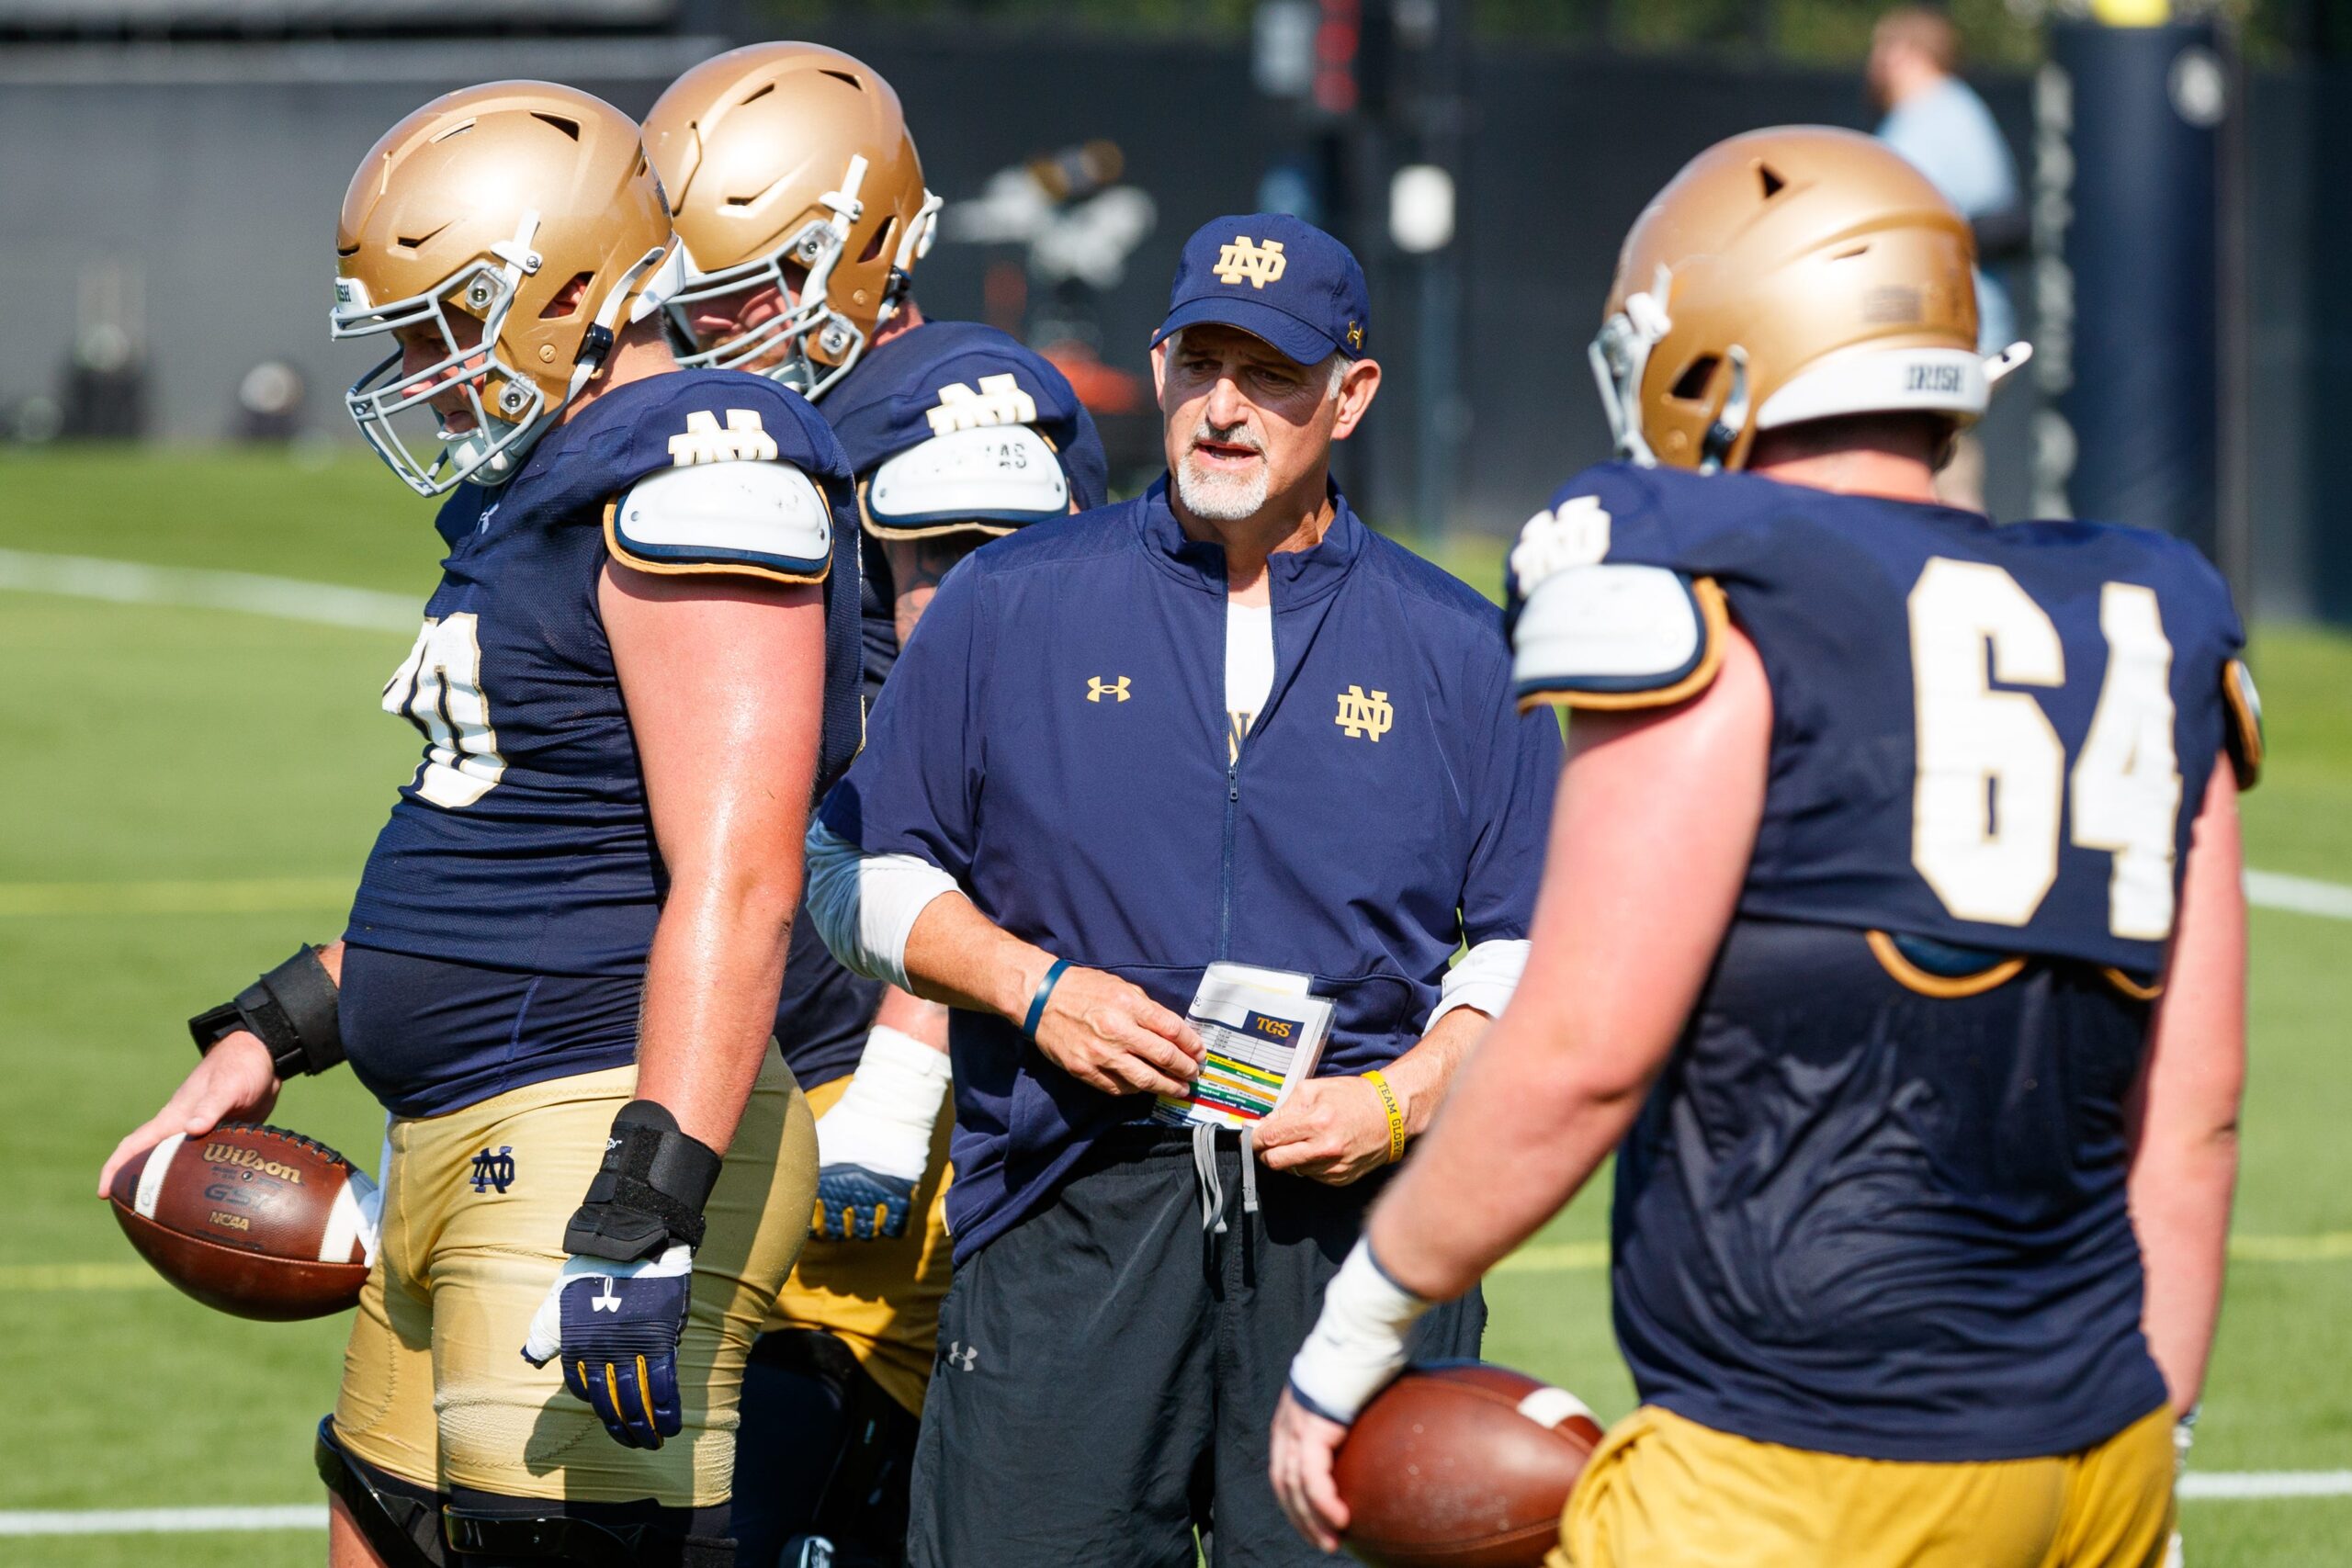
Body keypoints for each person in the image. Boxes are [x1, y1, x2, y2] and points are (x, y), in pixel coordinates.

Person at [1272, 127, 2256, 1568]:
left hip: (1801, 1457)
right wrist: (2147, 1446)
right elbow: (2198, 1111)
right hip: (2095, 1446)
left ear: (1715, 354)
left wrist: (1357, 1324)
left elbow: (1583, 1049)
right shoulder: (2149, 613)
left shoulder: (1715, 583)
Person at [97, 82, 867, 1568]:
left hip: (589, 1127)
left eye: (447, 319)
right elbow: (505, 835)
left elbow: (742, 870)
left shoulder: (704, 462)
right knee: (382, 1522)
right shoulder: (540, 489)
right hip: (457, 1127)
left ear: (571, 287)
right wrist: (276, 1023)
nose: (422, 367)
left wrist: (648, 1200)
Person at [803, 212, 1561, 1567]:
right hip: (1065, 1201)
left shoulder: (1460, 644)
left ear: (1350, 390)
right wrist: (1031, 986)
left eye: (1269, 371)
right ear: (1155, 369)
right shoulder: (1005, 603)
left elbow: (1531, 938)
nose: (1225, 408)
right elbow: (846, 866)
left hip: (1359, 1226)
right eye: (1199, 361)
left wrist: (1406, 1094)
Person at [641, 42, 1110, 1568]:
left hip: (888, 1074)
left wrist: (897, 1095)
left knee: (800, 1493)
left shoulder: (957, 414)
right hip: (773, 1044)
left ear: (854, 250)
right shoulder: (759, 427)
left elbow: (1005, 785)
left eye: (745, 281)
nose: (703, 321)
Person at [1868, 5, 2028, 511]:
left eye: (1881, 47)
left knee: (1937, 468)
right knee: (1930, 464)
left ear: (1905, 53)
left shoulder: (1946, 114)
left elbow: (1998, 222)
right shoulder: (1928, 117)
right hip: (1942, 330)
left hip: (1952, 333)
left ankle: (1964, 570)